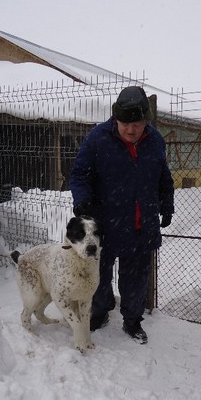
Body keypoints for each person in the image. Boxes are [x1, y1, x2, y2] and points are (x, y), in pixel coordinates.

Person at [69, 85, 174, 344]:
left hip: (142, 225)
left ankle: (132, 320)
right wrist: (82, 199)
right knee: (101, 274)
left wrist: (167, 204)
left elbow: (164, 177)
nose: (131, 129)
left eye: (136, 123)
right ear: (115, 119)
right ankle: (101, 311)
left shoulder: (156, 141)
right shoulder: (98, 138)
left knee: (136, 278)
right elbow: (80, 174)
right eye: (125, 123)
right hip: (106, 225)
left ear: (145, 121)